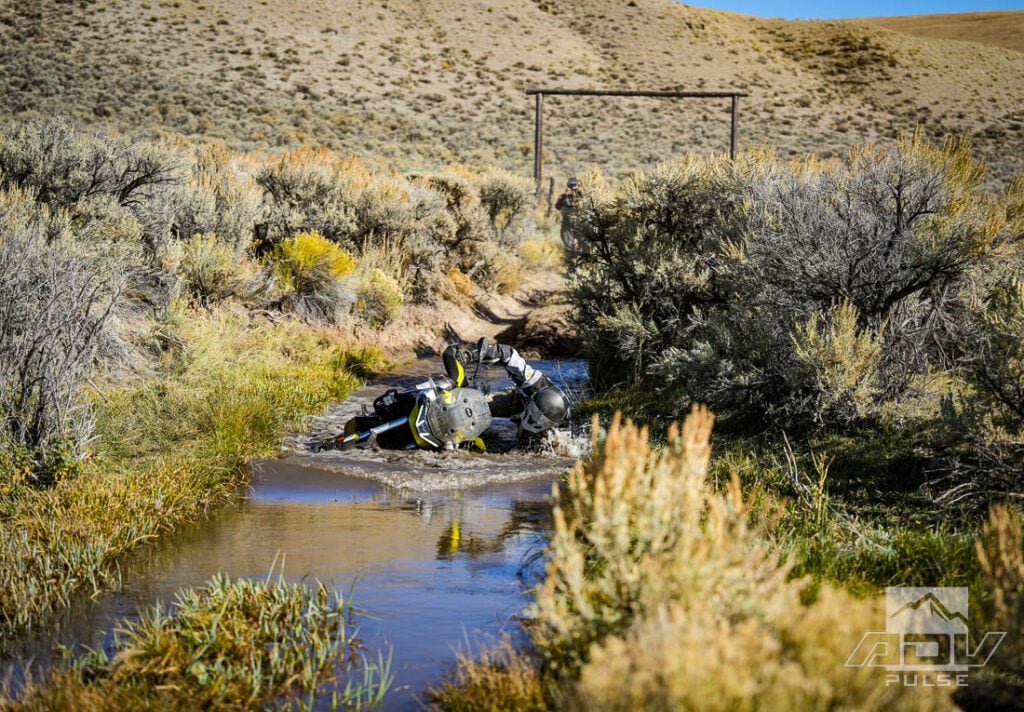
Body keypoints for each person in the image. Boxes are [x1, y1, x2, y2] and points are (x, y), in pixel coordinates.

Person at [442, 338, 569, 447]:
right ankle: (447, 429)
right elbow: (508, 354)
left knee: (532, 446)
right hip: (516, 400)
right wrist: (470, 356)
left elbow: (567, 448)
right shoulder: (533, 381)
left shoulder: (562, 426)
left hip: (542, 430)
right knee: (475, 407)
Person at [554, 176, 581, 253]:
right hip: (567, 224)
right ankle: (571, 259)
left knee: (583, 245)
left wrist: (576, 194)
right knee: (569, 247)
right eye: (571, 186)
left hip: (580, 223)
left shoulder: (581, 195)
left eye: (575, 186)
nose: (573, 188)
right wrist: (565, 196)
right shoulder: (564, 196)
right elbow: (557, 207)